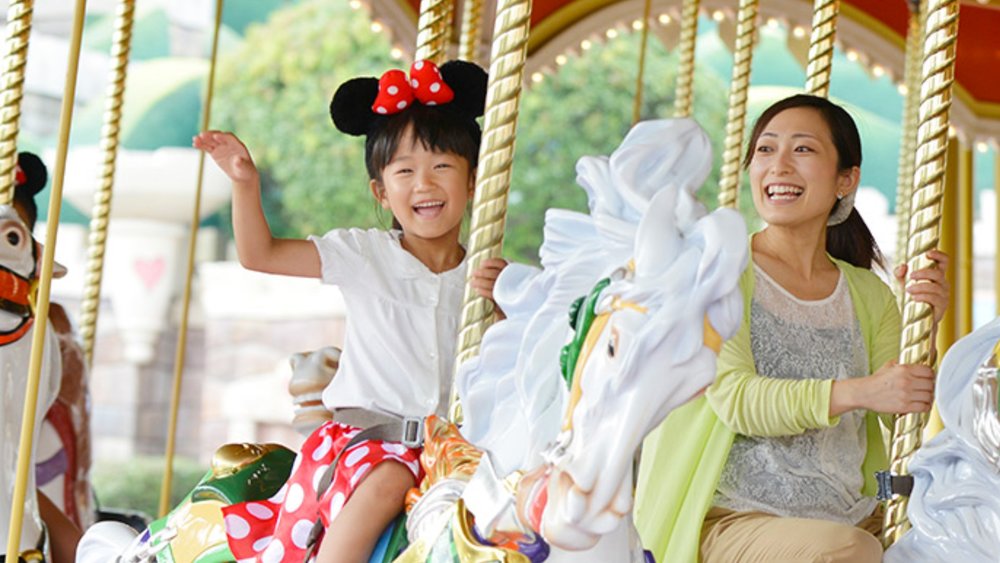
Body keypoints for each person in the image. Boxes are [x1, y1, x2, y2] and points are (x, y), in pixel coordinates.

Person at [194, 60, 507, 563]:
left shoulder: (485, 279)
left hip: (457, 448)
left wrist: (509, 298)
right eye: (404, 171)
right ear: (381, 192)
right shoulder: (365, 256)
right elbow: (261, 254)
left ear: (473, 182)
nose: (424, 184)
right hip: (375, 443)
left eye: (442, 166)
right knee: (389, 481)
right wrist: (244, 182)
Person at [633, 94, 950, 563]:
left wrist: (926, 321)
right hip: (734, 520)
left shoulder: (869, 294)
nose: (778, 166)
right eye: (765, 150)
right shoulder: (719, 272)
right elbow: (738, 401)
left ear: (846, 180)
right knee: (849, 551)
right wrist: (857, 390)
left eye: (802, 150)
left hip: (853, 513)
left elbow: (901, 414)